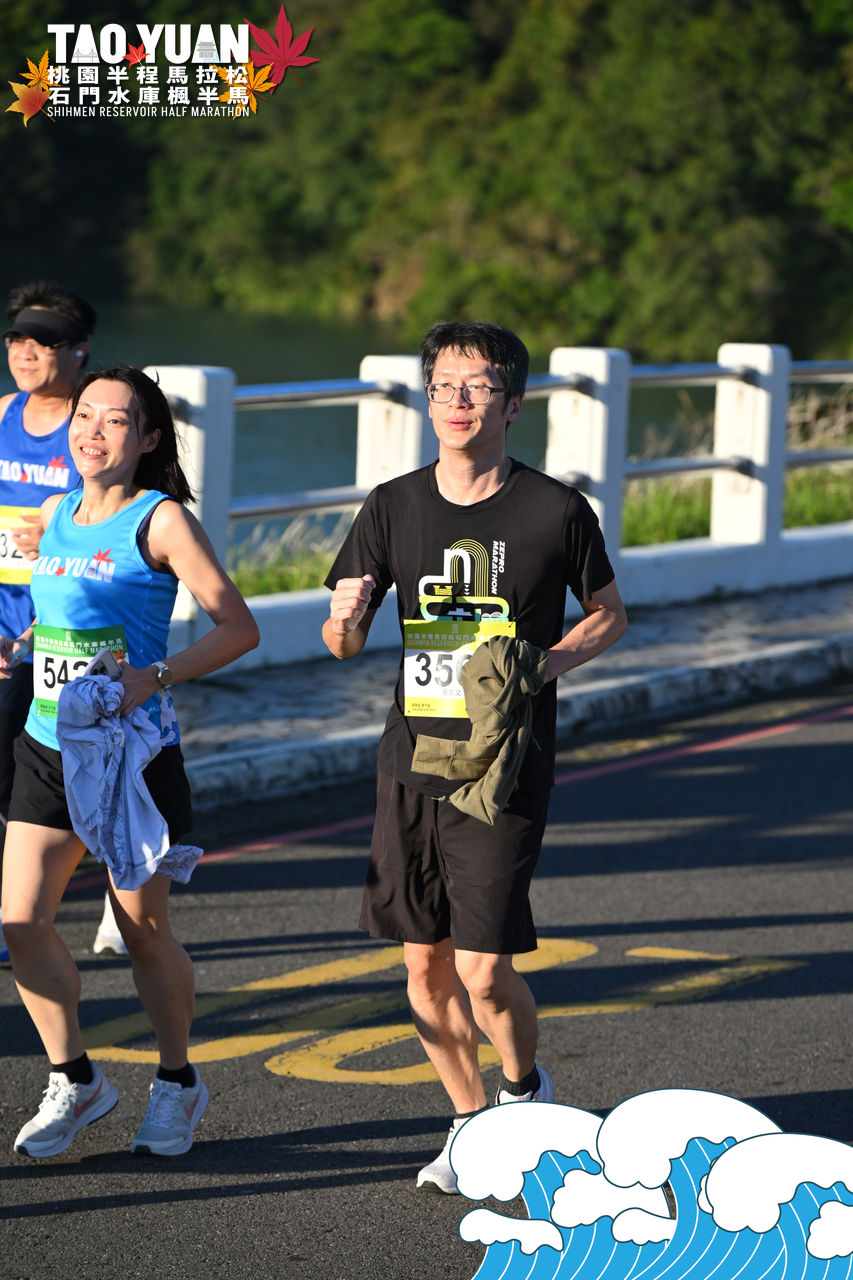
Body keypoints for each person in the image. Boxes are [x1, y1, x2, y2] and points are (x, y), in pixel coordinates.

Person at [323, 321, 627, 1193]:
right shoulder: (392, 505)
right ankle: (466, 1123)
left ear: (514, 403)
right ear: (427, 401)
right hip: (412, 759)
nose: (458, 400)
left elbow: (608, 614)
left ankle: (524, 1092)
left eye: (478, 385)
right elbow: (342, 641)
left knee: (484, 969)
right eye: (443, 386)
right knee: (422, 962)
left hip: (503, 764)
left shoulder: (553, 510)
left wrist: (543, 665)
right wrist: (344, 619)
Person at [1, 364, 259, 1159]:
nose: (93, 431)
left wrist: (156, 676)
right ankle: (75, 1079)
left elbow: (238, 627)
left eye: (115, 420)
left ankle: (177, 1083)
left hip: (129, 757)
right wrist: (21, 644)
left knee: (144, 933)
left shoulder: (161, 520)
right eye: (85, 415)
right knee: (20, 923)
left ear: (147, 438)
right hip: (48, 743)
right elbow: (63, 614)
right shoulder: (56, 512)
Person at [0, 281, 123, 962]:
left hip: (68, 629)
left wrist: (54, 537)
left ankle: (124, 893)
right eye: (17, 339)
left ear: (79, 351)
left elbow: (118, 517)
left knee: (87, 774)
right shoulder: (2, 415)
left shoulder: (91, 429)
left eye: (42, 341)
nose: (25, 352)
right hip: (4, 625)